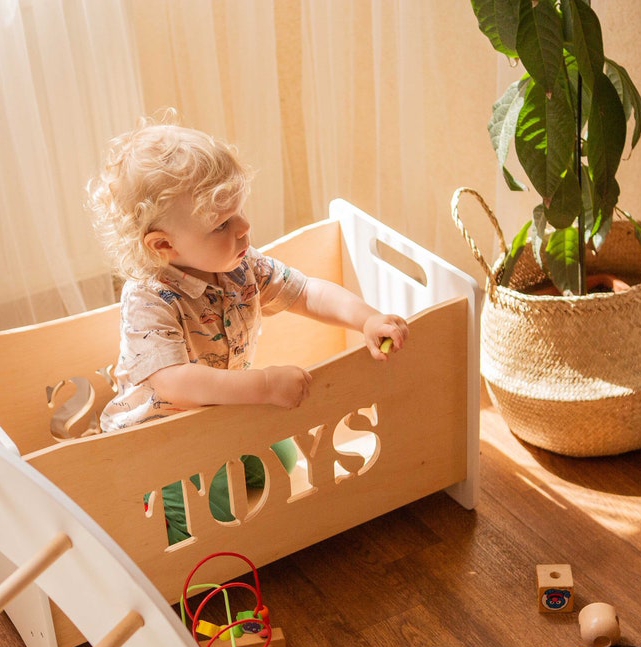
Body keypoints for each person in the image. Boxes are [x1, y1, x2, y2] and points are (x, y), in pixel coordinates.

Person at [86, 118, 409, 543]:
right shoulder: (148, 298)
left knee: (281, 452)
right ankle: (163, 525)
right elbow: (174, 383)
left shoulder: (240, 265)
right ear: (163, 245)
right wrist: (262, 385)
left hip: (221, 417)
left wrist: (366, 318)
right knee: (205, 516)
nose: (243, 229)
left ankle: (232, 473)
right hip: (158, 445)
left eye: (238, 212)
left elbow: (307, 292)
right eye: (221, 225)